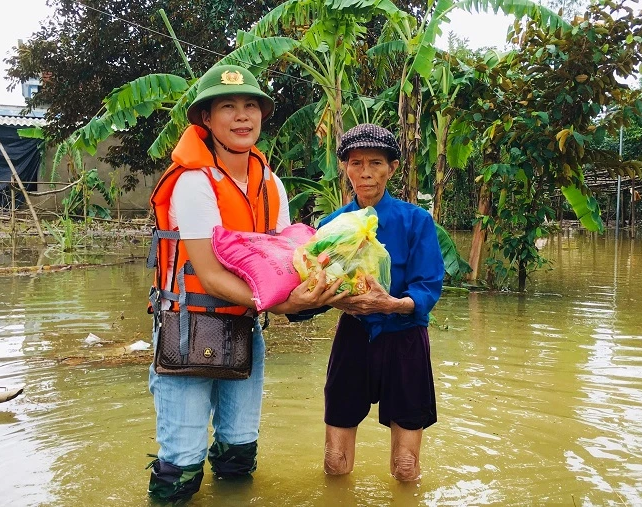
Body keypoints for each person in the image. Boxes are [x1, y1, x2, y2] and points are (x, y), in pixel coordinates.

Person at [146, 64, 345, 503]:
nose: (242, 116)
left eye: (250, 105)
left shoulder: (270, 184)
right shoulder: (194, 183)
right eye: (228, 107)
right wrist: (282, 304)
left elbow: (286, 261)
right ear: (207, 120)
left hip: (243, 327)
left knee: (238, 453)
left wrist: (321, 289)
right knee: (181, 465)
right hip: (187, 327)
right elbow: (212, 274)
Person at [321, 123, 445, 481]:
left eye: (375, 163)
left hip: (405, 339)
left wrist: (391, 303)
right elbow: (314, 288)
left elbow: (428, 287)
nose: (365, 173)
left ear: (392, 168)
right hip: (353, 336)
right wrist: (325, 298)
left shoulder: (416, 221)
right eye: (356, 162)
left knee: (406, 469)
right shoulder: (332, 226)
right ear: (344, 167)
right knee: (334, 462)